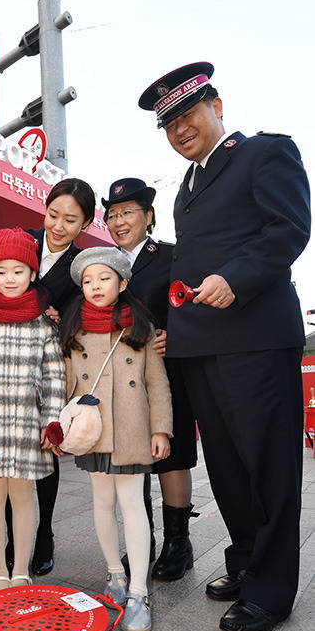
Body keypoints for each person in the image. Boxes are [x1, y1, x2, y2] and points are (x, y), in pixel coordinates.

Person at [138, 61, 310, 631]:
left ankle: (272, 590)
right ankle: (245, 562)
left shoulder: (264, 153)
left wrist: (236, 276)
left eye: (187, 113)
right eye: (169, 123)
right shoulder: (185, 187)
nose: (179, 129)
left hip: (255, 338)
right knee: (230, 468)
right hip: (201, 345)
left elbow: (289, 228)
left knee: (268, 464)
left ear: (218, 107)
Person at [56, 247, 172, 631]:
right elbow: (65, 386)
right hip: (93, 432)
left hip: (132, 429)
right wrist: (59, 427)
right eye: (87, 281)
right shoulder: (74, 330)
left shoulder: (140, 327)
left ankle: (139, 591)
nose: (95, 286)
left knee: (133, 504)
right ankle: (115, 576)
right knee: (102, 503)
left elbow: (157, 383)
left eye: (104, 278)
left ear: (122, 283)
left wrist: (161, 429)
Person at [102, 178, 198, 581]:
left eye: (127, 212)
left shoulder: (174, 256)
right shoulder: (102, 264)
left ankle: (179, 542)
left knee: (171, 456)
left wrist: (175, 335)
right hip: (121, 378)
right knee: (132, 456)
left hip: (168, 372)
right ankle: (146, 540)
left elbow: (194, 302)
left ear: (148, 216)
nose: (119, 221)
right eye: (111, 215)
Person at [5, 177, 96, 576]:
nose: (58, 227)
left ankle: (43, 534)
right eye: (53, 215)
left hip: (48, 365)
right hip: (6, 359)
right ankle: (12, 533)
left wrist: (63, 321)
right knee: (10, 449)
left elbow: (82, 317)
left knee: (46, 448)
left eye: (70, 220)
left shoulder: (81, 266)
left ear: (86, 224)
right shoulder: (19, 240)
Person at [0, 228, 66, 591]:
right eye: (1, 271)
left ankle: (21, 568)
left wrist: (52, 420)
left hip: (28, 423)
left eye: (19, 270)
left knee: (24, 497)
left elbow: (54, 375)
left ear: (32, 273)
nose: (10, 279)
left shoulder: (44, 322)